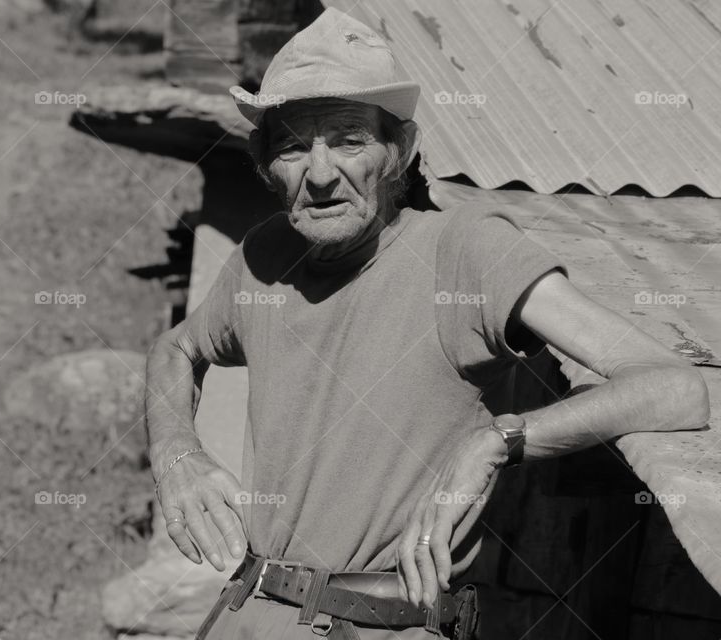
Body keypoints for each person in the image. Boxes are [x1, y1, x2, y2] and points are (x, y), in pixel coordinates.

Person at [144, 8, 709, 640]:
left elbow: (672, 386)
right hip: (246, 614)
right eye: (294, 146)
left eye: (350, 139)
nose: (322, 173)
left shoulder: (464, 250)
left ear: (400, 151)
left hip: (382, 626)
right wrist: (176, 452)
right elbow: (177, 346)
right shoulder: (264, 255)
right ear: (265, 166)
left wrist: (500, 440)